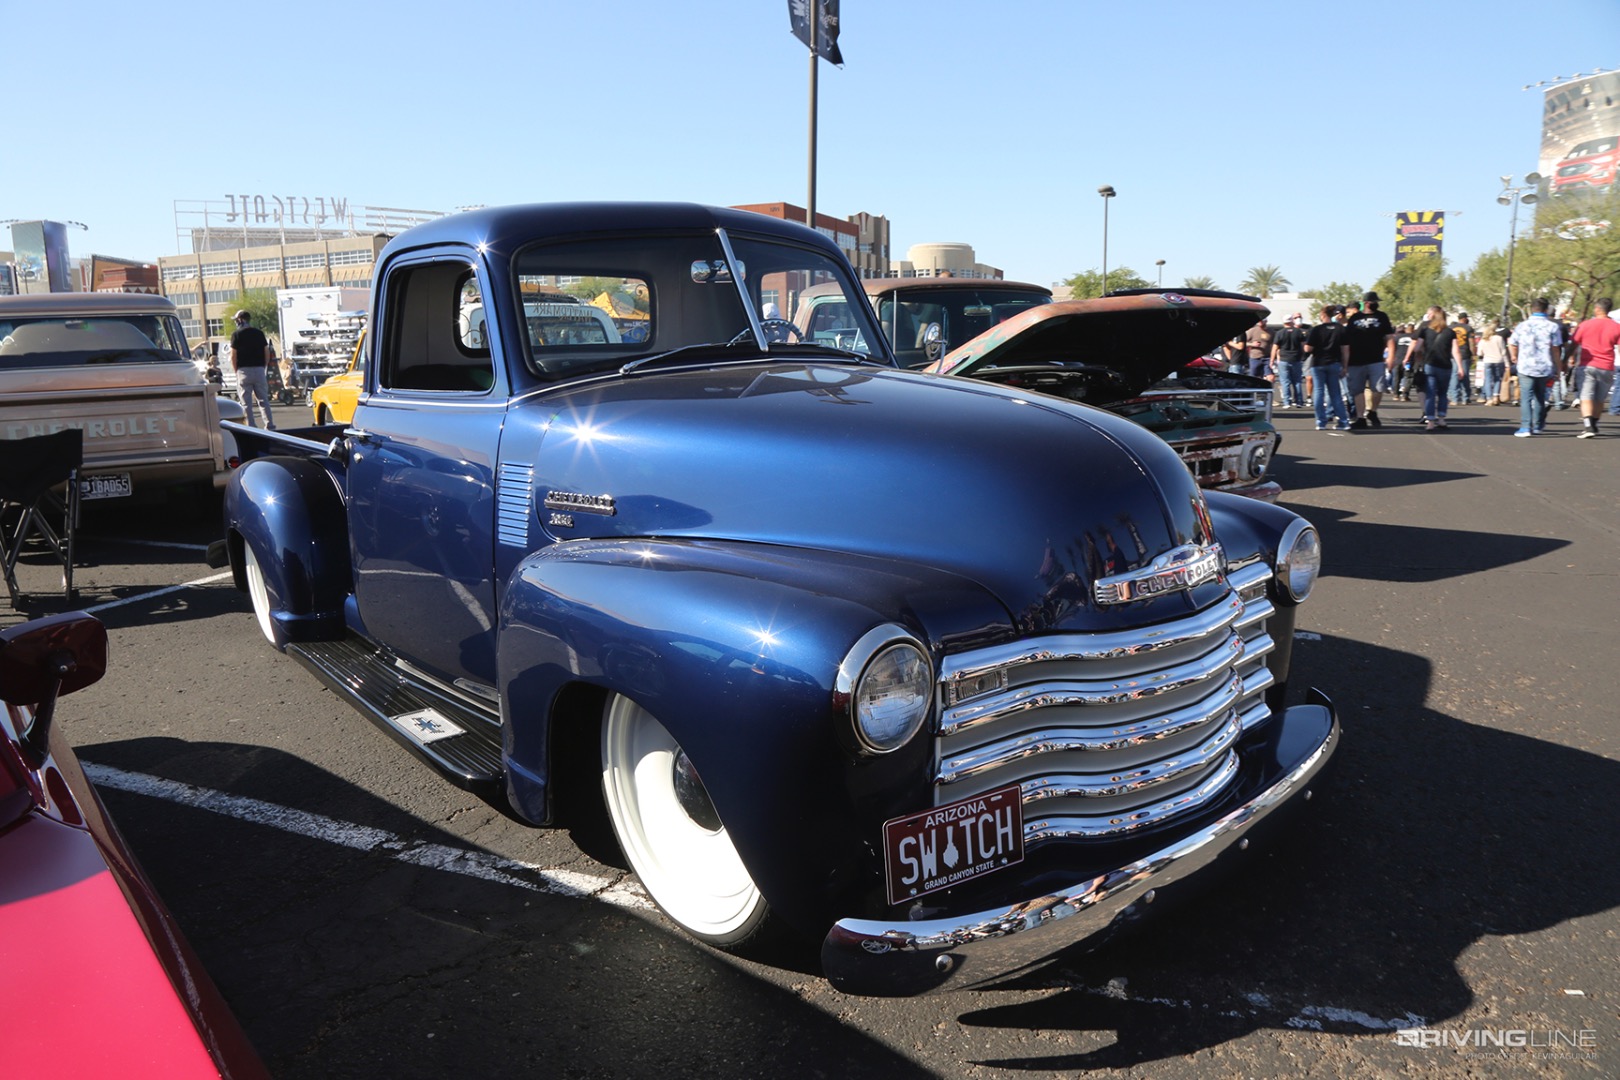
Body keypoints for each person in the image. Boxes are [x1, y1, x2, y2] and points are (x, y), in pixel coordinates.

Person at [1508, 297, 1564, 437]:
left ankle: (1526, 427)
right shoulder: (1553, 326)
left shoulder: (1522, 326)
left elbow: (1512, 342)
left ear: (1532, 309)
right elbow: (1556, 349)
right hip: (1544, 366)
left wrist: (1514, 356)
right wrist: (1558, 368)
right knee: (1540, 397)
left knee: (1526, 397)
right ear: (1546, 310)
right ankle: (1538, 425)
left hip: (1526, 366)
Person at [1343, 290, 1396, 428]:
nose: (1376, 304)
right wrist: (1345, 361)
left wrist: (1391, 356)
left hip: (1376, 359)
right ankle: (1361, 418)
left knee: (1378, 388)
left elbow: (1389, 337)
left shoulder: (1382, 316)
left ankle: (1372, 411)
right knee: (1357, 390)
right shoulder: (1354, 318)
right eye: (1374, 302)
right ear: (1366, 303)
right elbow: (1346, 341)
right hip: (1356, 360)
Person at [1570, 297, 1620, 437]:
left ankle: (1588, 426)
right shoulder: (1616, 327)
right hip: (1607, 366)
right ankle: (1594, 424)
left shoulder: (1585, 325)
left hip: (1588, 365)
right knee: (1599, 398)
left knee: (1586, 396)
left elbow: (1573, 343)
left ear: (1597, 309)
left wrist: (1566, 359)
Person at [1406, 306, 1461, 431]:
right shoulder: (1450, 332)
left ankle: (1430, 421)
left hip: (1430, 364)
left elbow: (1417, 347)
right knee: (1442, 393)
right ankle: (1441, 419)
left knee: (1430, 393)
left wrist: (1419, 357)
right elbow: (1455, 351)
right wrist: (1460, 367)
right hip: (1445, 366)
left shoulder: (1425, 331)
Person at [1303, 304, 1351, 430]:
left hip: (1318, 363)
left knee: (1319, 392)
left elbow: (1308, 348)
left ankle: (1321, 421)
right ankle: (1343, 421)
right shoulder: (1340, 329)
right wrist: (1345, 366)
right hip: (1334, 363)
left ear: (1323, 315)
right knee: (1335, 393)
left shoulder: (1317, 329)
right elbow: (1345, 350)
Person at [231, 309, 276, 430]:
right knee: (263, 400)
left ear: (240, 319)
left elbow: (233, 355)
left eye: (236, 320)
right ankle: (269, 424)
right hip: (259, 369)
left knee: (246, 402)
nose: (236, 322)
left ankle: (251, 426)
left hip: (243, 370)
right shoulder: (259, 333)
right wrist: (264, 366)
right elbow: (266, 351)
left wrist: (236, 370)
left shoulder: (236, 334)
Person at [1271, 313, 1308, 408]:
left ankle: (1287, 402)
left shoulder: (1280, 333)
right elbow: (1304, 346)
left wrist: (1272, 360)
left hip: (1284, 359)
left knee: (1285, 381)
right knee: (1297, 381)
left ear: (1284, 322)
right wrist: (1303, 356)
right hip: (1296, 359)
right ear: (1292, 321)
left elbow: (1275, 348)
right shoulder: (1298, 332)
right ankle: (1299, 401)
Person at [1477, 319, 1510, 405]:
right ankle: (1496, 396)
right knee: (1497, 379)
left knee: (1488, 379)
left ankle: (1489, 398)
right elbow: (1503, 352)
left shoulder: (1483, 340)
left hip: (1487, 361)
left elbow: (1479, 353)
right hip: (1499, 360)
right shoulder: (1499, 338)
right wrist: (1507, 364)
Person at [1447, 312, 1476, 405]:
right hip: (1464, 354)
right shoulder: (1468, 328)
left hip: (1452, 354)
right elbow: (1471, 342)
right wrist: (1473, 354)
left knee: (1454, 375)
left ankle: (1454, 398)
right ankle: (1465, 397)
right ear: (1464, 318)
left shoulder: (1451, 328)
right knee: (1465, 375)